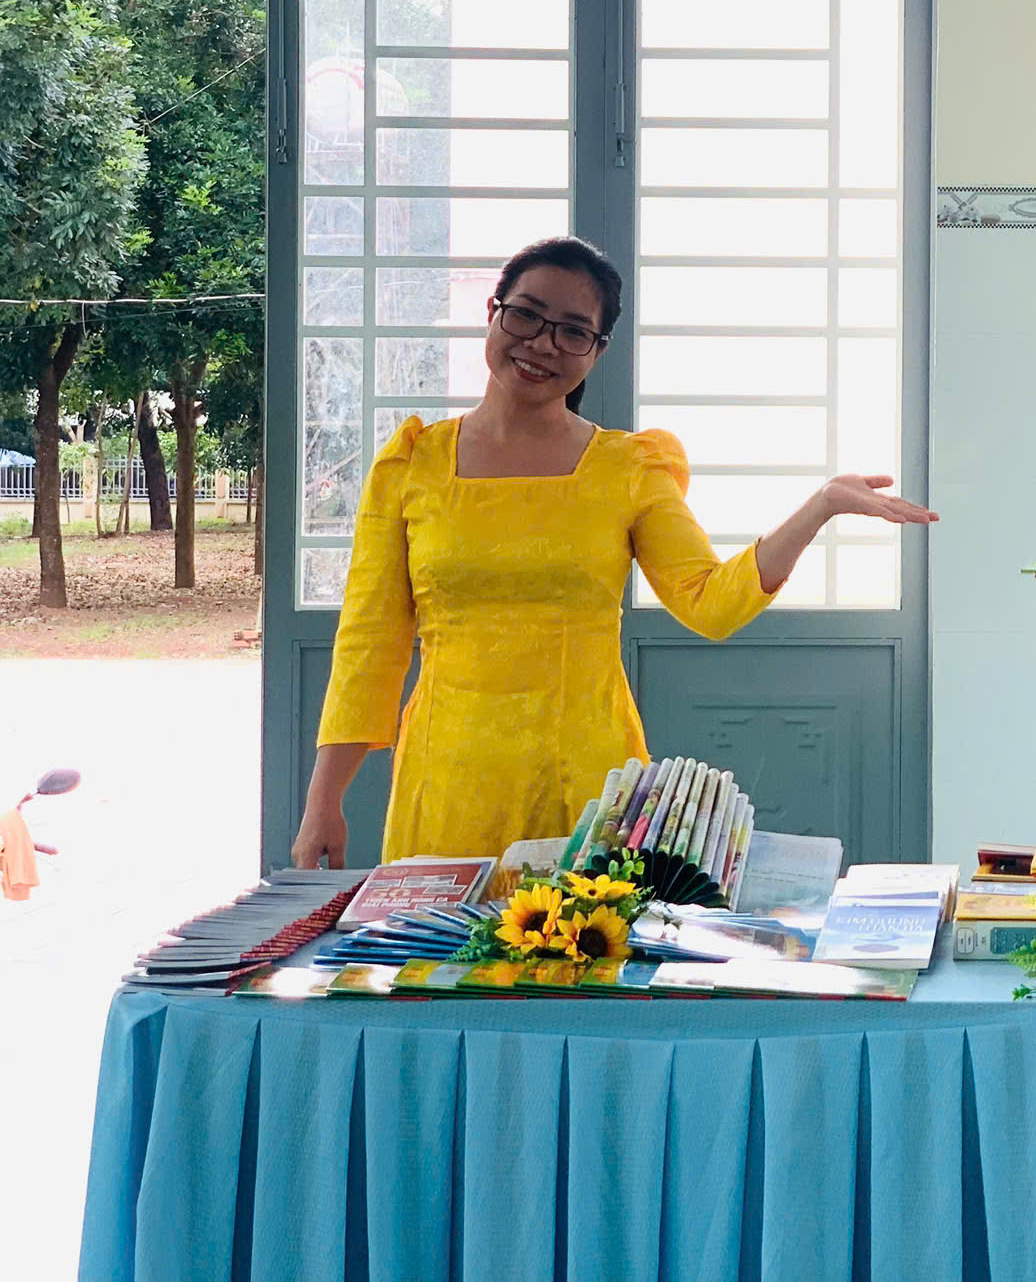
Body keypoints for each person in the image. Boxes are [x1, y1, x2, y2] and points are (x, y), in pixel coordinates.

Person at [290, 236, 935, 867]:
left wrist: (820, 505)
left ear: (597, 351)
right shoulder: (413, 463)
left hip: (590, 785)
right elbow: (370, 640)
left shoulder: (628, 468)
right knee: (445, 939)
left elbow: (711, 603)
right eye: (526, 315)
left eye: (573, 331)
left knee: (590, 935)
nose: (543, 343)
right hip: (447, 779)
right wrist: (324, 801)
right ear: (493, 312)